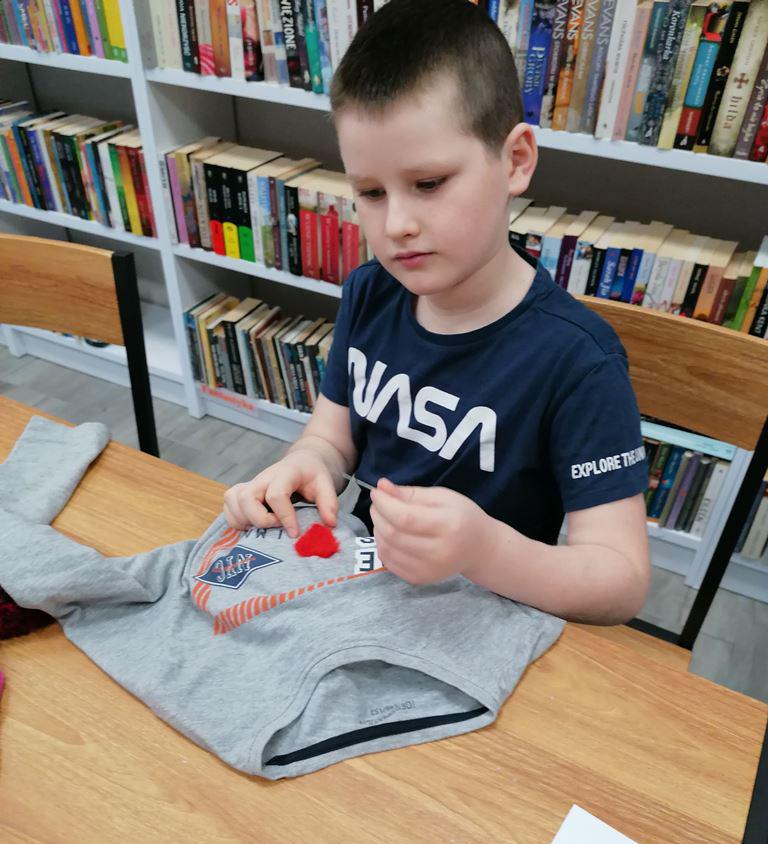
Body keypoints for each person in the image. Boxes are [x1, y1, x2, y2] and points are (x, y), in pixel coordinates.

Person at [224, 0, 651, 624]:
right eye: (370, 192)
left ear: (516, 160)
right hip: (362, 588)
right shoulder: (369, 292)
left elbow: (620, 581)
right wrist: (307, 464)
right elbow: (331, 437)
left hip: (485, 618)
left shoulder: (579, 362)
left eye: (428, 184)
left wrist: (483, 550)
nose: (397, 224)